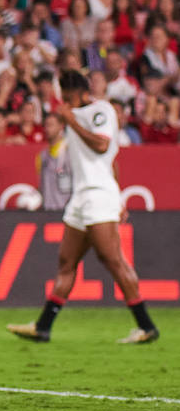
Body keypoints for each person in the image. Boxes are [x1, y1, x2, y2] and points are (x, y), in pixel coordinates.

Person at [9, 70, 159, 345]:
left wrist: (71, 121)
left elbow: (103, 146)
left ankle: (146, 325)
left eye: (68, 97)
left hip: (99, 195)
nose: (65, 103)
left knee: (113, 260)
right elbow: (111, 161)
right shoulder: (74, 115)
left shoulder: (100, 111)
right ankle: (43, 326)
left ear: (80, 93)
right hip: (80, 198)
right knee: (66, 263)